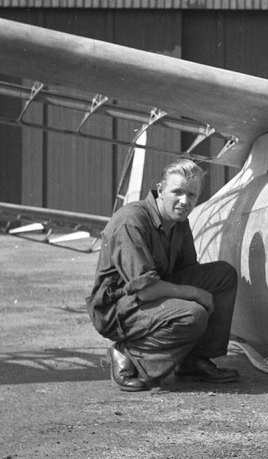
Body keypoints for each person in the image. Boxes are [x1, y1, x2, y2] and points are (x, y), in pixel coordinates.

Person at [86, 158, 240, 391]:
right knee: (193, 314)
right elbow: (145, 289)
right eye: (177, 191)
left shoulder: (179, 222)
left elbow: (188, 271)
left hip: (153, 291)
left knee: (223, 275)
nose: (184, 201)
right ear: (160, 190)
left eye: (192, 195)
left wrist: (197, 289)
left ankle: (193, 359)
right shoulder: (131, 221)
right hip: (118, 307)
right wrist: (194, 293)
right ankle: (127, 354)